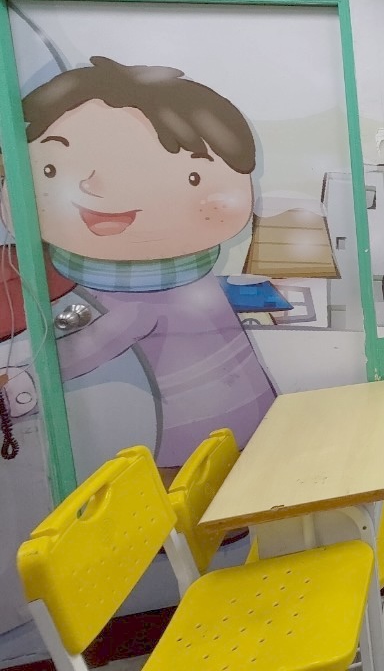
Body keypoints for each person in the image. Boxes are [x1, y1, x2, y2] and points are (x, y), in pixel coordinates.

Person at [17, 55, 275, 473]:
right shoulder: (190, 272)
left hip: (193, 443)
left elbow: (85, 349)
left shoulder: (147, 291)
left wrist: (20, 386)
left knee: (183, 506)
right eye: (51, 168)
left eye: (192, 178)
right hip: (248, 422)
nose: (93, 188)